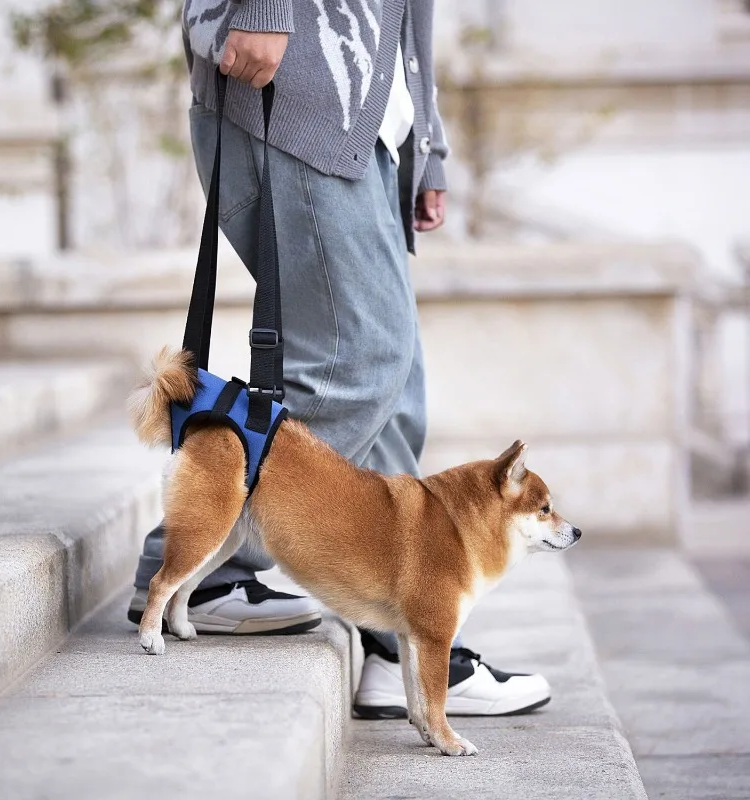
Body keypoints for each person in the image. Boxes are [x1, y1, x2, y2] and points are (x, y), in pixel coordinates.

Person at [129, 0, 551, 718]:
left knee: (397, 386)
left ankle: (398, 643)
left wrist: (425, 140)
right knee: (356, 365)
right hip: (304, 88)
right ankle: (200, 567)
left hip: (370, 117)